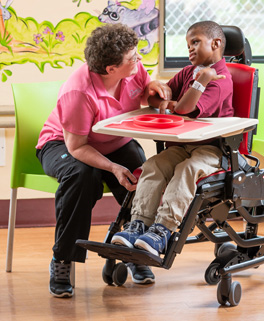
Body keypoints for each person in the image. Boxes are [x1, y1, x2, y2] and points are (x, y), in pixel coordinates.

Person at [36, 23, 171, 298]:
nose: (139, 60)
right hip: (63, 144)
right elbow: (77, 146)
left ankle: (133, 249)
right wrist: (111, 167)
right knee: (82, 176)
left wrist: (153, 88)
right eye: (133, 58)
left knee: (140, 172)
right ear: (110, 69)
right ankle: (62, 259)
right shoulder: (79, 92)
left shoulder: (132, 71)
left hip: (113, 141)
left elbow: (143, 91)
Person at [112, 21, 233, 259]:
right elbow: (155, 98)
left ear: (216, 43)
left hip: (211, 150)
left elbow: (187, 108)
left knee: (187, 169)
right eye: (188, 44)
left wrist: (201, 82)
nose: (190, 49)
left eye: (195, 42)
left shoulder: (220, 79)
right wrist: (167, 102)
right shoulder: (188, 72)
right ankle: (139, 223)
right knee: (154, 165)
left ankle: (162, 229)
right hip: (183, 145)